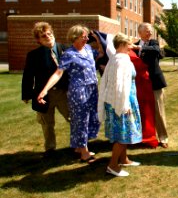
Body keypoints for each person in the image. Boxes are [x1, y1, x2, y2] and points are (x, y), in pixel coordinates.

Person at [38, 25, 102, 163]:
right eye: (83, 36)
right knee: (81, 120)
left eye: (86, 36)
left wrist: (98, 39)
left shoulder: (89, 49)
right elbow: (58, 73)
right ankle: (84, 153)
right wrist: (45, 90)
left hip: (92, 90)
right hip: (78, 91)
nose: (86, 39)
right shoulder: (69, 54)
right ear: (75, 37)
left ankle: (79, 147)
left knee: (92, 118)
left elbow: (101, 54)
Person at [22, 22, 70, 157]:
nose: (48, 37)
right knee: (47, 123)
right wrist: (26, 94)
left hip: (63, 93)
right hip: (43, 96)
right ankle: (50, 148)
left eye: (49, 33)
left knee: (73, 119)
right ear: (38, 40)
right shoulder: (33, 55)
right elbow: (28, 75)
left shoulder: (65, 49)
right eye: (43, 36)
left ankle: (78, 145)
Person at [98, 33, 142, 177]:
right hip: (121, 101)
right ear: (123, 45)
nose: (131, 46)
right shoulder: (122, 60)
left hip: (117, 100)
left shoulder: (115, 58)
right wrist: (124, 105)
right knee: (123, 134)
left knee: (122, 133)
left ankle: (124, 159)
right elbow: (120, 85)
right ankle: (112, 165)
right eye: (129, 44)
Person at [134, 22, 168, 148]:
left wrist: (140, 48)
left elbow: (157, 51)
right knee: (141, 111)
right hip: (139, 84)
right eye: (147, 30)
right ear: (140, 32)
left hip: (154, 83)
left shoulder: (153, 43)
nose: (149, 33)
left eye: (150, 31)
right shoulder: (134, 46)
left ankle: (163, 138)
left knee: (158, 111)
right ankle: (143, 136)